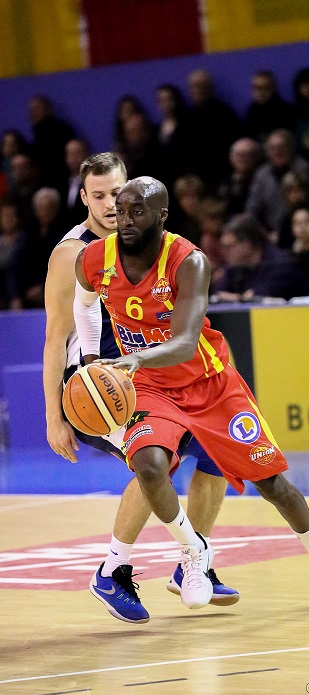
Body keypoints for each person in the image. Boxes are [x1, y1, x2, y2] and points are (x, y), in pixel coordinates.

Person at [74, 175, 309, 613]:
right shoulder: (93, 258)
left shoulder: (189, 261)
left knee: (272, 483)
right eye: (120, 210)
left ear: (161, 216)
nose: (125, 219)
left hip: (209, 382)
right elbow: (84, 300)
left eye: (137, 212)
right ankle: (192, 552)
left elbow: (185, 342)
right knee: (149, 466)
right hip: (149, 386)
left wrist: (136, 359)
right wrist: (91, 355)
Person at [43, 153, 239, 625]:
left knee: (215, 451)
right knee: (157, 459)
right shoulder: (74, 252)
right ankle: (113, 570)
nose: (112, 204)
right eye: (100, 196)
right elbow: (55, 336)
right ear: (84, 198)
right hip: (98, 386)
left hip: (151, 377)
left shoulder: (152, 241)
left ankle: (193, 563)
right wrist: (55, 415)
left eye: (118, 192)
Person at [212, 213, 308, 302]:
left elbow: (260, 297)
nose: (224, 252)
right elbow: (217, 295)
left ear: (247, 244)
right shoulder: (234, 268)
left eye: (229, 247)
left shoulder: (281, 264)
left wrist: (238, 298)